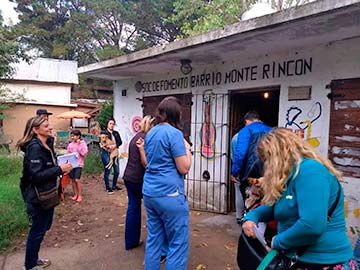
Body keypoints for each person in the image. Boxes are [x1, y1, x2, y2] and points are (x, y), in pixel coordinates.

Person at [242, 128, 357, 269]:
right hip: (299, 258)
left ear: (277, 156)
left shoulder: (310, 172)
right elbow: (279, 207)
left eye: (266, 160)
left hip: (323, 261)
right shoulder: (291, 174)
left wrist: (277, 241)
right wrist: (252, 216)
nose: (266, 166)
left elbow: (311, 225)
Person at [16, 116, 72, 270]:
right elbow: (35, 176)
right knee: (37, 230)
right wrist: (59, 170)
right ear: (36, 129)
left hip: (47, 195)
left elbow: (46, 167)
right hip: (36, 197)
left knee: (43, 227)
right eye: (46, 126)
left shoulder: (46, 143)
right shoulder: (35, 147)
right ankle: (30, 265)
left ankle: (34, 259)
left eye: (49, 125)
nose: (50, 127)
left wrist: (60, 164)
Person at [143, 96, 192, 270]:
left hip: (150, 192)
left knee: (154, 238)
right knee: (177, 242)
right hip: (170, 195)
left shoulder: (151, 133)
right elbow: (184, 168)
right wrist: (188, 149)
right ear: (176, 114)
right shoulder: (174, 134)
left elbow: (150, 161)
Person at [123, 115, 155, 250]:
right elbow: (146, 162)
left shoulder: (136, 136)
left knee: (133, 208)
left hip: (128, 177)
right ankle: (156, 244)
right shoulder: (147, 139)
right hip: (139, 179)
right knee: (153, 210)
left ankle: (131, 242)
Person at [231, 111, 271, 203]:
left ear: (247, 121)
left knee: (250, 199)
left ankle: (250, 216)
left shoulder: (246, 131)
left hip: (250, 171)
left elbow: (240, 154)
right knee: (267, 197)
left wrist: (235, 172)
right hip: (269, 170)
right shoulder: (271, 130)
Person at [100, 118, 122, 194]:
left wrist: (114, 145)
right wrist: (107, 147)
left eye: (113, 124)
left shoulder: (116, 133)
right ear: (107, 124)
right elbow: (101, 143)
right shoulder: (104, 132)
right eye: (110, 123)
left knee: (117, 171)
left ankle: (114, 186)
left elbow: (120, 142)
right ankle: (107, 187)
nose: (112, 125)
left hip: (114, 152)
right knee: (108, 170)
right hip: (106, 153)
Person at [66, 129, 88, 203]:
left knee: (77, 180)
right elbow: (68, 153)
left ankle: (80, 195)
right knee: (72, 180)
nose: (72, 138)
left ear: (78, 136)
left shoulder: (82, 143)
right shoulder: (71, 144)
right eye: (71, 136)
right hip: (71, 164)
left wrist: (79, 145)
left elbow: (84, 153)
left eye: (74, 136)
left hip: (78, 164)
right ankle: (75, 194)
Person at [230, 130, 245, 224]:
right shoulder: (255, 135)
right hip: (251, 169)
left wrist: (234, 172)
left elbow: (233, 157)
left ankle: (239, 216)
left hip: (239, 169)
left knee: (239, 191)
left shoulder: (235, 137)